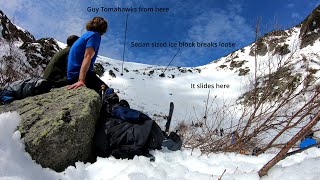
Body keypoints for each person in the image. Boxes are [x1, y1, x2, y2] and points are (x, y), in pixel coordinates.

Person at [67, 16, 108, 93]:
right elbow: (87, 56)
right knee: (110, 95)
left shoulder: (84, 36)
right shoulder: (95, 35)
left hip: (71, 76)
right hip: (80, 75)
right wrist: (81, 80)